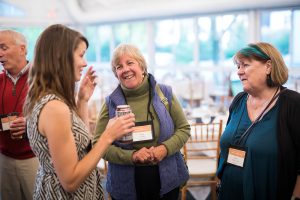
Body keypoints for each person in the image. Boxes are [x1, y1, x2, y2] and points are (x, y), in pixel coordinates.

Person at [23, 24, 135, 199]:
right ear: (61, 57)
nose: (84, 63)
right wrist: (108, 136)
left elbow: (80, 146)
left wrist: (82, 101)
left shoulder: (51, 99)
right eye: (81, 55)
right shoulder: (55, 108)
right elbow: (70, 181)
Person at [93, 43, 190, 200]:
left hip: (166, 177)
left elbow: (184, 129)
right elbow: (99, 145)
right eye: (119, 66)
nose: (125, 69)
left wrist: (165, 149)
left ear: (142, 67)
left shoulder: (165, 93)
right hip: (126, 183)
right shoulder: (110, 102)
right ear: (116, 73)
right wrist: (132, 156)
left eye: (130, 63)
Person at [217, 42, 300, 199]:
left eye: (245, 65)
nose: (239, 72)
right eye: (238, 67)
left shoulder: (292, 104)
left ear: (268, 66)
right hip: (229, 192)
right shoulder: (239, 101)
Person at [0, 29, 39, 200]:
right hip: (4, 158)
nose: (0, 54)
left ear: (22, 49)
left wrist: (29, 123)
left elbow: (58, 116)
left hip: (34, 158)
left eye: (3, 48)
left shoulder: (41, 78)